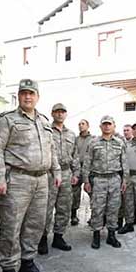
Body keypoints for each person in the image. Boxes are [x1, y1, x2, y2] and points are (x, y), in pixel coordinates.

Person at [0, 79, 62, 272]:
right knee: (11, 226)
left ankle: (27, 263)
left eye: (31, 93)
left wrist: (56, 171)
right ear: (18, 96)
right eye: (23, 93)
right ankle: (9, 269)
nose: (27, 97)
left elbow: (51, 150)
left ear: (37, 96)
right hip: (17, 180)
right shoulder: (7, 120)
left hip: (41, 181)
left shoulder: (45, 122)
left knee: (35, 224)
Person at [82, 116, 129, 249]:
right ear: (100, 126)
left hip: (115, 179)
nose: (107, 127)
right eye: (105, 124)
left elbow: (124, 163)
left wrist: (125, 180)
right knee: (97, 208)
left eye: (109, 124)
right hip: (99, 179)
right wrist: (86, 181)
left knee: (114, 208)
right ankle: (96, 235)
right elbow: (87, 162)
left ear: (114, 126)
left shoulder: (120, 143)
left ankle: (111, 235)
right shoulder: (94, 143)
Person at [39, 103, 79, 255]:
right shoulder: (46, 131)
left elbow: (75, 155)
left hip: (66, 172)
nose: (60, 114)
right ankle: (42, 239)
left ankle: (58, 237)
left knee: (64, 207)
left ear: (66, 114)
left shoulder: (71, 134)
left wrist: (76, 173)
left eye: (63, 112)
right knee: (46, 208)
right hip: (50, 173)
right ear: (52, 113)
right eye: (57, 112)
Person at [71, 119, 94, 225]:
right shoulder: (75, 139)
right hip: (77, 168)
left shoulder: (93, 139)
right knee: (74, 192)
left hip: (89, 168)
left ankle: (94, 216)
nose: (81, 126)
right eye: (79, 124)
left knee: (92, 192)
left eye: (83, 124)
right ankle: (73, 215)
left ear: (88, 126)